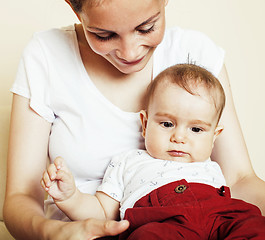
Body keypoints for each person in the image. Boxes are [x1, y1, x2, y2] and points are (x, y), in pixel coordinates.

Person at [3, 0, 265, 239]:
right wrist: (56, 231)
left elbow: (240, 180)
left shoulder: (197, 54)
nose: (129, 53)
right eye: (104, 35)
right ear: (74, 9)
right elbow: (21, 197)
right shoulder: (46, 56)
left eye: (146, 28)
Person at [41, 64, 265, 239]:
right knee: (147, 236)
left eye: (196, 129)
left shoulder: (210, 166)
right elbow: (101, 211)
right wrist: (70, 197)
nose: (179, 137)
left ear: (214, 136)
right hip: (160, 221)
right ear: (145, 123)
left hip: (219, 216)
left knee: (253, 224)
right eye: (167, 124)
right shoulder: (128, 162)